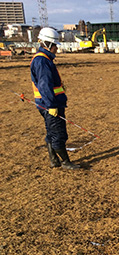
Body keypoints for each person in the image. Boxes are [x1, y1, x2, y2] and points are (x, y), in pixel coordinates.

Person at [30, 27, 80, 170]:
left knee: (51, 132)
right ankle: (65, 162)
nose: (56, 48)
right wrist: (52, 105)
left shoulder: (43, 59)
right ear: (48, 45)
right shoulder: (42, 61)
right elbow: (44, 85)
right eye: (55, 45)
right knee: (58, 133)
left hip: (47, 104)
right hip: (50, 105)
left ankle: (54, 160)